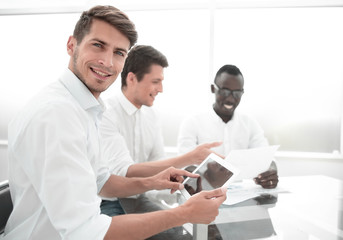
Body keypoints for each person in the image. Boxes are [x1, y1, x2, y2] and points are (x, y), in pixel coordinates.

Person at [3, 6, 227, 240]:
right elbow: (85, 231)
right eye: (98, 45)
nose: (107, 62)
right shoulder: (57, 115)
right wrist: (184, 213)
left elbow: (103, 183)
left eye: (119, 53)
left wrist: (152, 182)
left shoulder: (85, 110)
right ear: (72, 45)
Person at [99, 44, 221, 216]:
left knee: (183, 234)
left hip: (140, 199)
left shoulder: (152, 116)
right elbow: (124, 171)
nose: (161, 89)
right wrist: (189, 157)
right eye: (156, 82)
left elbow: (159, 166)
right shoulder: (106, 113)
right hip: (109, 202)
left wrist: (181, 183)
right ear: (132, 79)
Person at [177, 64, 279, 189]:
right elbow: (184, 165)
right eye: (225, 92)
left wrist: (270, 171)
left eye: (237, 93)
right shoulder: (192, 122)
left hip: (242, 195)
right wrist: (201, 176)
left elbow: (266, 157)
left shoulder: (250, 124)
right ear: (213, 89)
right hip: (204, 195)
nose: (230, 99)